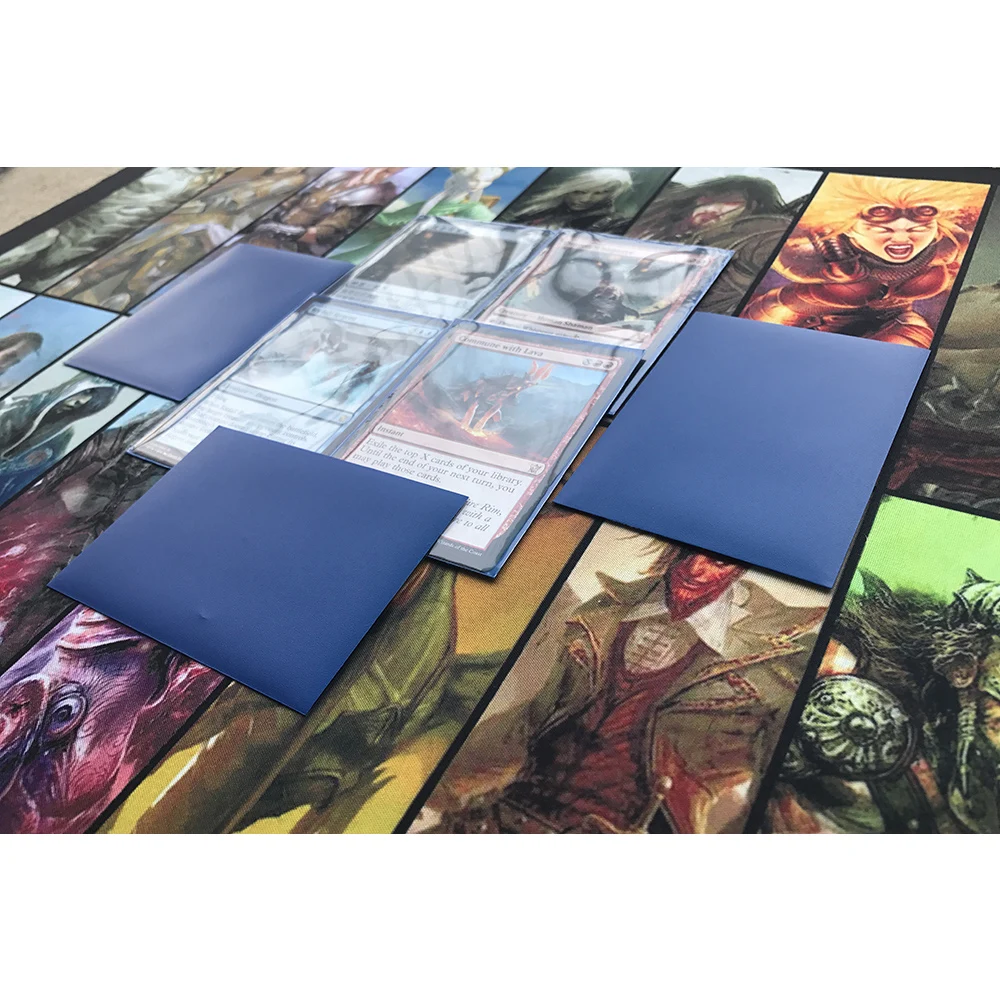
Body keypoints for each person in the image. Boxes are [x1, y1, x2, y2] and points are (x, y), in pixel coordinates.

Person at [743, 175, 987, 348]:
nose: (902, 236)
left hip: (893, 321)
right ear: (848, 225)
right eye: (882, 224)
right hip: (797, 316)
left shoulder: (949, 245)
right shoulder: (810, 248)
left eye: (919, 222)